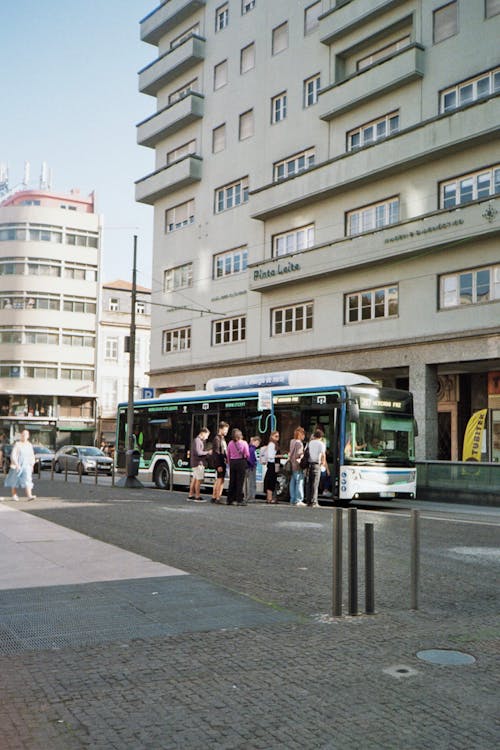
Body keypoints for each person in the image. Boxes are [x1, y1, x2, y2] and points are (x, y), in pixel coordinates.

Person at [4, 429, 36, 501]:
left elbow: (32, 455)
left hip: (27, 465)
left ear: (28, 436)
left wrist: (32, 464)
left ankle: (29, 495)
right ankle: (14, 495)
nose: (24, 436)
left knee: (28, 479)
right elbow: (13, 455)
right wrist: (16, 464)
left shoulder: (29, 445)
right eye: (22, 435)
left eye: (25, 435)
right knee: (14, 479)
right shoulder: (17, 444)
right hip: (17, 465)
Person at [226, 429, 250, 506]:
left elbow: (228, 455)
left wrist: (229, 463)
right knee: (240, 481)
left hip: (232, 462)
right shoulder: (244, 443)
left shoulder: (230, 443)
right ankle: (239, 499)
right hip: (241, 462)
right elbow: (247, 454)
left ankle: (229, 499)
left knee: (232, 481)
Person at [188, 427, 211, 503]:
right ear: (203, 433)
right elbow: (198, 453)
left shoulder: (196, 440)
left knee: (194, 479)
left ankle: (190, 495)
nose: (207, 437)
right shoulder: (198, 441)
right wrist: (208, 452)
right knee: (198, 480)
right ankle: (197, 496)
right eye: (207, 435)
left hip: (195, 463)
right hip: (198, 464)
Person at [306, 428, 326, 508]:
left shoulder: (310, 443)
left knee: (309, 483)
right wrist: (323, 463)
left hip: (309, 464)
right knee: (315, 484)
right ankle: (314, 501)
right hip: (316, 464)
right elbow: (323, 454)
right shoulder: (321, 444)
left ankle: (308, 501)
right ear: (321, 437)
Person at [211, 421, 229, 503]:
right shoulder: (217, 439)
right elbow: (216, 453)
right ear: (220, 429)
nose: (226, 432)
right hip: (220, 462)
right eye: (225, 430)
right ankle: (217, 497)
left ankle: (215, 496)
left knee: (220, 479)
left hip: (222, 461)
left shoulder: (222, 438)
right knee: (219, 479)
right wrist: (218, 465)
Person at [289, 427, 306, 506]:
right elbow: (299, 455)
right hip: (298, 465)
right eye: (303, 434)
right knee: (299, 481)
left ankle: (292, 499)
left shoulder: (292, 441)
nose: (304, 436)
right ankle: (298, 499)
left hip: (292, 463)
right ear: (300, 435)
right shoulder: (299, 443)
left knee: (293, 482)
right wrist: (303, 454)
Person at [264, 431, 282, 504]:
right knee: (271, 481)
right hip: (272, 464)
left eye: (278, 436)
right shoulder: (271, 444)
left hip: (275, 464)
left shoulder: (275, 444)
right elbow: (270, 456)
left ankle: (270, 498)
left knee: (273, 481)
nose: (277, 438)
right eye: (276, 436)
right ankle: (269, 498)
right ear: (272, 436)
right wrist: (281, 456)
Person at [244, 435, 261, 503]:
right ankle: (251, 497)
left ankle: (247, 496)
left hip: (247, 467)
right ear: (253, 441)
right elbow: (250, 459)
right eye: (257, 442)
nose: (258, 444)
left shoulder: (249, 448)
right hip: (251, 468)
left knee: (246, 483)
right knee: (252, 482)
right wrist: (253, 464)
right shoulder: (252, 449)